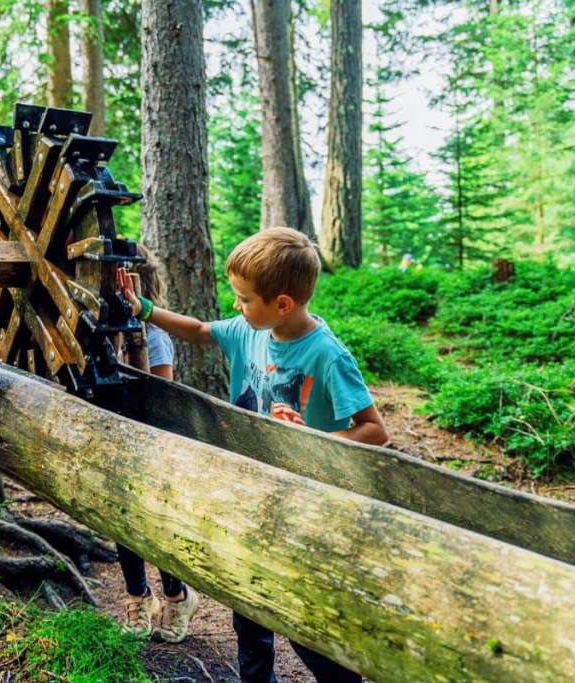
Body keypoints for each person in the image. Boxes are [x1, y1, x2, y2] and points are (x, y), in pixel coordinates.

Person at [117, 227, 388, 682]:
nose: (237, 307)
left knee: (302, 619)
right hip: (253, 489)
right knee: (247, 608)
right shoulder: (249, 330)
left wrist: (314, 443)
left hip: (305, 502)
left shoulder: (325, 354)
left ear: (282, 304)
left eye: (244, 298)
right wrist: (146, 309)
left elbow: (375, 430)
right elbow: (201, 331)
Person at [116, 244, 201, 643]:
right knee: (121, 521)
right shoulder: (105, 330)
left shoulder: (156, 336)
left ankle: (176, 596)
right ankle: (137, 597)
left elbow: (162, 392)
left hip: (153, 443)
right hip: (118, 438)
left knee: (155, 525)